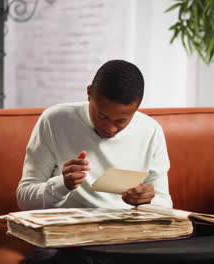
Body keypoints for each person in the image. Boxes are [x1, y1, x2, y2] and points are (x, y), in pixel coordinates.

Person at [17, 59, 173, 213]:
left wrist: (148, 199)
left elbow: (165, 204)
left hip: (126, 229)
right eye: (102, 116)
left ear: (137, 107)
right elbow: (24, 199)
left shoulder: (151, 130)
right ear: (89, 93)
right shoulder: (55, 120)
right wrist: (62, 185)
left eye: (122, 121)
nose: (110, 128)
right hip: (70, 229)